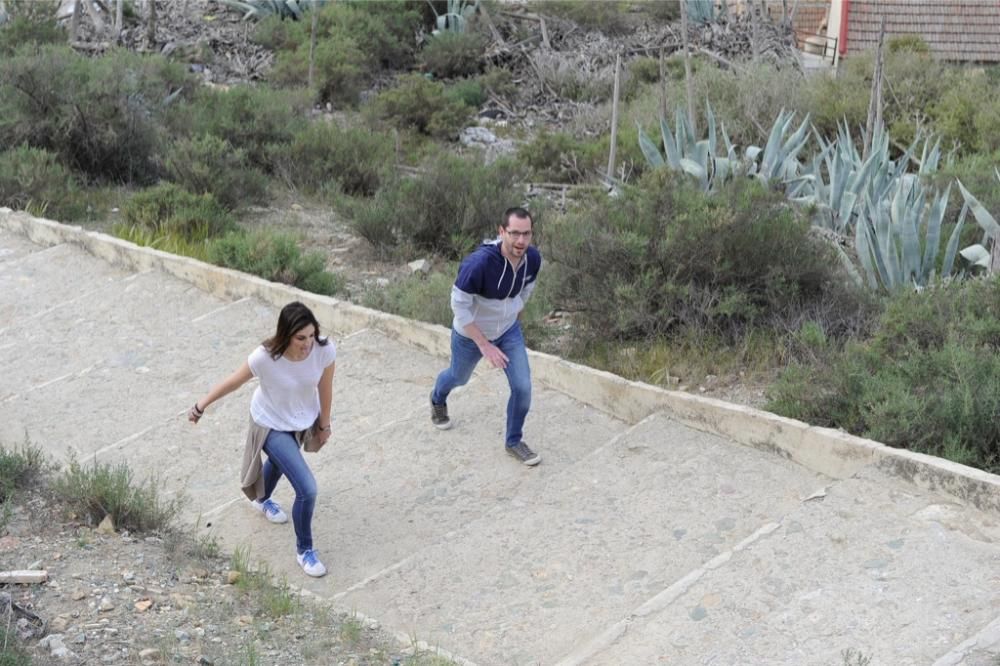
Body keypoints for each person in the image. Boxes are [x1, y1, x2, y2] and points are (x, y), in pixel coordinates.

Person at [189, 301, 336, 577]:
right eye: (300, 338)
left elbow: (325, 388)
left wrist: (324, 425)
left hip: (301, 420)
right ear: (286, 335)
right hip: (269, 423)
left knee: (282, 463)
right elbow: (234, 381)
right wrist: (201, 405)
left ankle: (262, 497)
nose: (307, 344)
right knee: (308, 488)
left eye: (311, 335)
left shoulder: (324, 350)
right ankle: (305, 551)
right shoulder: (265, 357)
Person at [430, 206, 543, 466]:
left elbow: (526, 291)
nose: (521, 241)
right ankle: (437, 398)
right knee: (459, 377)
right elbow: (459, 306)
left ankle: (514, 441)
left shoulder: (533, 259)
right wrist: (484, 344)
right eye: (514, 233)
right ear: (501, 231)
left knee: (523, 387)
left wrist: (515, 319)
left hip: (508, 331)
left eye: (526, 234)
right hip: (471, 335)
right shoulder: (479, 263)